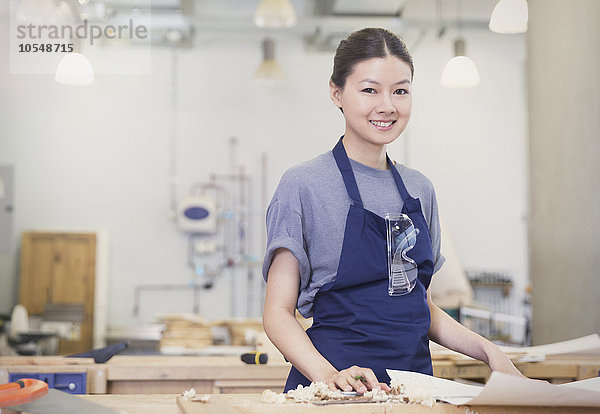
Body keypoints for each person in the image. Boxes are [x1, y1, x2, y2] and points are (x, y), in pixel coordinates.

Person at [262, 27, 523, 394]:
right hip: (335, 394)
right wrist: (329, 377)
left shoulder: (420, 189)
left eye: (400, 90)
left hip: (414, 391)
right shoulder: (303, 185)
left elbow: (420, 307)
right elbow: (276, 313)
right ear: (337, 92)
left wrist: (488, 351)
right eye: (369, 89)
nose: (387, 105)